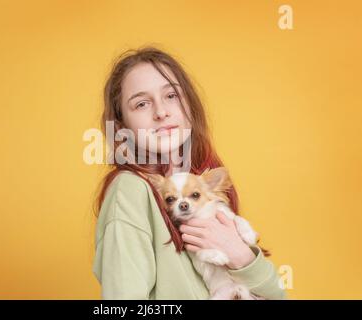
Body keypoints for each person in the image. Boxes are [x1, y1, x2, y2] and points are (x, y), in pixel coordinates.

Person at [92, 46, 286, 300]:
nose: (161, 112)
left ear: (190, 107)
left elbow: (278, 296)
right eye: (141, 103)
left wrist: (240, 255)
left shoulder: (201, 184)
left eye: (171, 95)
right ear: (122, 125)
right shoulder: (130, 190)